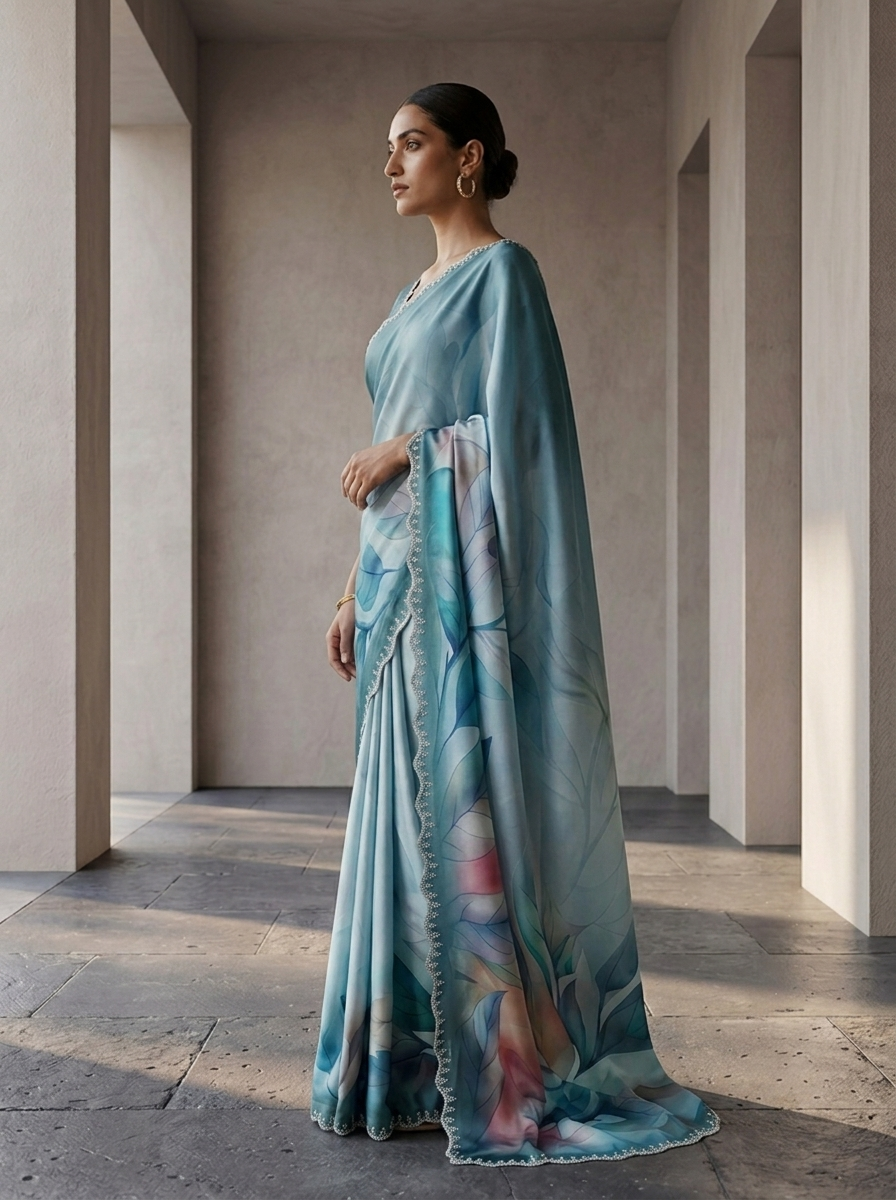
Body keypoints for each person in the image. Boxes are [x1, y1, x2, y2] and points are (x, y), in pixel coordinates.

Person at [311, 81, 720, 1167]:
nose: (390, 164)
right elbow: (389, 444)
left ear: (470, 157)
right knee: (395, 818)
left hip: (453, 599)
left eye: (411, 144)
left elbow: (524, 440)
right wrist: (349, 589)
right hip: (391, 587)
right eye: (387, 147)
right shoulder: (409, 294)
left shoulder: (504, 275)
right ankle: (398, 1061)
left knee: (453, 811)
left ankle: (487, 1057)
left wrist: (411, 450)